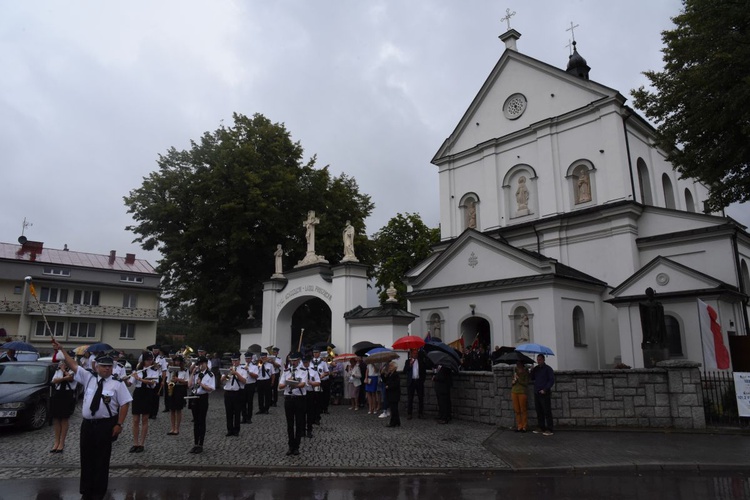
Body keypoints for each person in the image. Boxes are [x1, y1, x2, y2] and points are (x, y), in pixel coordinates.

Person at [51, 338, 131, 500]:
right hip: (87, 425)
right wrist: (62, 349)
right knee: (86, 457)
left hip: (106, 425)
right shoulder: (89, 377)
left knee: (102, 459)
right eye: (104, 366)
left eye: (109, 366)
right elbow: (73, 365)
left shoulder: (117, 384)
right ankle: (86, 489)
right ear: (97, 366)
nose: (107, 369)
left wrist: (119, 424)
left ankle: (99, 491)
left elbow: (125, 404)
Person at [278, 352, 309, 456]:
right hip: (289, 399)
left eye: (295, 360)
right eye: (291, 360)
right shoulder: (286, 371)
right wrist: (288, 382)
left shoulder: (303, 371)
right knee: (290, 424)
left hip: (300, 398)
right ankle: (290, 446)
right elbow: (280, 386)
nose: (293, 362)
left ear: (299, 360)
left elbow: (303, 383)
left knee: (299, 423)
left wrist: (294, 384)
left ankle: (297, 446)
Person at [129, 351, 160, 452]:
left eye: (151, 360)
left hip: (148, 393)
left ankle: (142, 444)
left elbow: (153, 383)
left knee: (145, 419)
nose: (149, 362)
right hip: (138, 394)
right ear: (143, 361)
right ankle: (135, 443)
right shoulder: (138, 370)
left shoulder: (154, 371)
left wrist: (140, 379)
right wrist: (126, 379)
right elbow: (130, 384)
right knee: (135, 420)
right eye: (147, 360)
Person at [188, 355, 215, 453]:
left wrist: (202, 384)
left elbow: (211, 388)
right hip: (195, 397)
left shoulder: (210, 374)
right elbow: (189, 385)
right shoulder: (196, 373)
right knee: (196, 422)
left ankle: (201, 444)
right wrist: (192, 373)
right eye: (198, 364)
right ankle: (195, 443)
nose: (200, 366)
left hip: (203, 398)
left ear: (205, 364)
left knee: (201, 421)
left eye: (201, 364)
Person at [50, 358, 77, 453]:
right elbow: (54, 381)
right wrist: (63, 377)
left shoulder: (74, 371)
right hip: (58, 394)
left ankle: (62, 442)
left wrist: (63, 372)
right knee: (56, 418)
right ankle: (56, 441)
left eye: (65, 362)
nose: (62, 364)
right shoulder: (57, 371)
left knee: (64, 418)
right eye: (62, 362)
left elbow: (71, 378)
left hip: (67, 395)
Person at [221, 353, 247, 437]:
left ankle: (236, 430)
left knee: (237, 412)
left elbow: (244, 381)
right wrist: (225, 375)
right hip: (228, 392)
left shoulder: (243, 369)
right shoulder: (228, 369)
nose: (234, 362)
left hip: (237, 393)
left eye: (236, 360)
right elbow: (222, 381)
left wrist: (236, 373)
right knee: (228, 412)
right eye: (233, 361)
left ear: (239, 361)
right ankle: (229, 429)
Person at [530, 354, 555, 436]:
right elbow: (532, 378)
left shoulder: (548, 369)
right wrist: (532, 370)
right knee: (539, 411)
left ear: (543, 360)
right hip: (537, 392)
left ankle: (550, 428)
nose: (538, 361)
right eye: (538, 360)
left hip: (544, 393)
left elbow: (551, 380)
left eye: (540, 359)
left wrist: (545, 389)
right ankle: (541, 426)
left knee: (547, 411)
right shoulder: (536, 369)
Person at [166, 355, 189, 435]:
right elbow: (167, 380)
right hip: (172, 388)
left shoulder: (185, 370)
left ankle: (177, 428)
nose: (177, 363)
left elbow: (187, 382)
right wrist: (170, 381)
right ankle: (172, 428)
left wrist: (178, 380)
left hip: (180, 389)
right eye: (176, 361)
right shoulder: (170, 370)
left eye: (178, 361)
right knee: (172, 409)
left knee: (178, 409)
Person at [403, 348, 427, 420]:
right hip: (411, 381)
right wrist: (410, 365)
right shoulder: (408, 361)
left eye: (416, 353)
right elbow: (404, 371)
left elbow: (424, 372)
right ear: (411, 354)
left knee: (420, 398)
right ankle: (409, 413)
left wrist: (422, 380)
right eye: (414, 353)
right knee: (410, 398)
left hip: (419, 381)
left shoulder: (421, 361)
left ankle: (420, 413)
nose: (415, 355)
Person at [301, 355, 321, 438]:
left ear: (309, 362)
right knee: (301, 413)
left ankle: (309, 430)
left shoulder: (313, 371)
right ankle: (302, 430)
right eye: (304, 362)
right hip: (302, 393)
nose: (305, 364)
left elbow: (318, 382)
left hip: (310, 393)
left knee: (310, 413)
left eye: (307, 362)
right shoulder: (300, 371)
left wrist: (312, 383)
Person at [511, 361, 530, 432]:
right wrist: (513, 381)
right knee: (517, 410)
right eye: (517, 364)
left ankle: (524, 426)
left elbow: (526, 383)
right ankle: (519, 426)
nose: (517, 365)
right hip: (514, 391)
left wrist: (519, 379)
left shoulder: (525, 372)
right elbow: (512, 382)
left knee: (523, 409)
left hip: (522, 392)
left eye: (519, 364)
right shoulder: (515, 372)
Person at [311, 348, 330, 419]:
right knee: (313, 397)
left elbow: (327, 372)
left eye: (317, 353)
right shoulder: (310, 362)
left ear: (319, 354)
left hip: (322, 381)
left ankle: (322, 410)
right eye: (314, 353)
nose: (315, 354)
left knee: (322, 397)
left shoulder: (323, 362)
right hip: (313, 382)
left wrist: (323, 375)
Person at [382, 360, 401, 428]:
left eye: (391, 366)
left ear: (395, 367)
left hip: (394, 394)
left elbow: (396, 384)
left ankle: (393, 422)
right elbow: (385, 380)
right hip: (390, 394)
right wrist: (382, 374)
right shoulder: (390, 374)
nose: (390, 367)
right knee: (393, 408)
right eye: (389, 366)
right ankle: (397, 421)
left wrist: (388, 386)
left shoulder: (396, 375)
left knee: (394, 409)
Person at [242, 351, 258, 423]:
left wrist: (248, 371)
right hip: (244, 385)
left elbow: (256, 376)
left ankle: (249, 418)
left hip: (251, 385)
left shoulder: (254, 367)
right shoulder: (242, 366)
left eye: (248, 358)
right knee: (243, 402)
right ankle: (244, 417)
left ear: (251, 359)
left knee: (249, 402)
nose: (247, 360)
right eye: (246, 358)